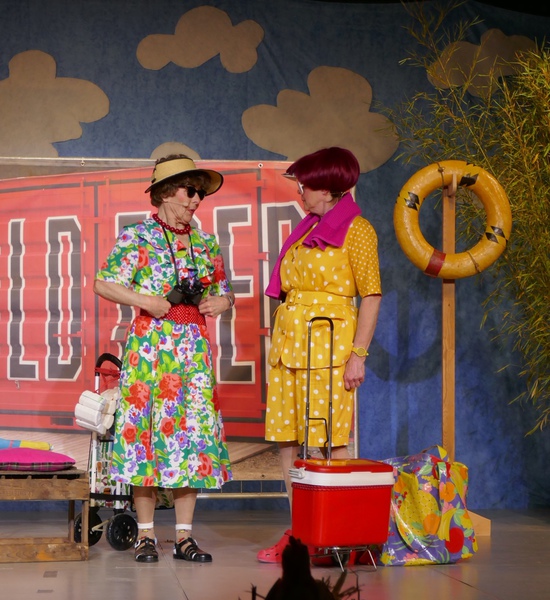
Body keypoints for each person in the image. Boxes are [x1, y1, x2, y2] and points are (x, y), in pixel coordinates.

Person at [94, 154, 234, 563]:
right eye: (190, 191)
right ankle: (146, 536)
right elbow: (103, 283)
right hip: (150, 348)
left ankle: (185, 537)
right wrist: (146, 300)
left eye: (201, 193)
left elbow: (224, 290)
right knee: (147, 436)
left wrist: (223, 302)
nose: (196, 200)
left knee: (193, 436)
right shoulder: (137, 236)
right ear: (166, 192)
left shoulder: (206, 243)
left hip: (193, 351)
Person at [257, 147, 382, 563]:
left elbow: (371, 295)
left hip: (328, 347)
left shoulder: (357, 230)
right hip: (290, 345)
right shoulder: (306, 228)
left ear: (327, 189)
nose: (300, 193)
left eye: (305, 186)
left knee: (329, 440)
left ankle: (339, 534)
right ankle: (302, 533)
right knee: (288, 441)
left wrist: (358, 354)